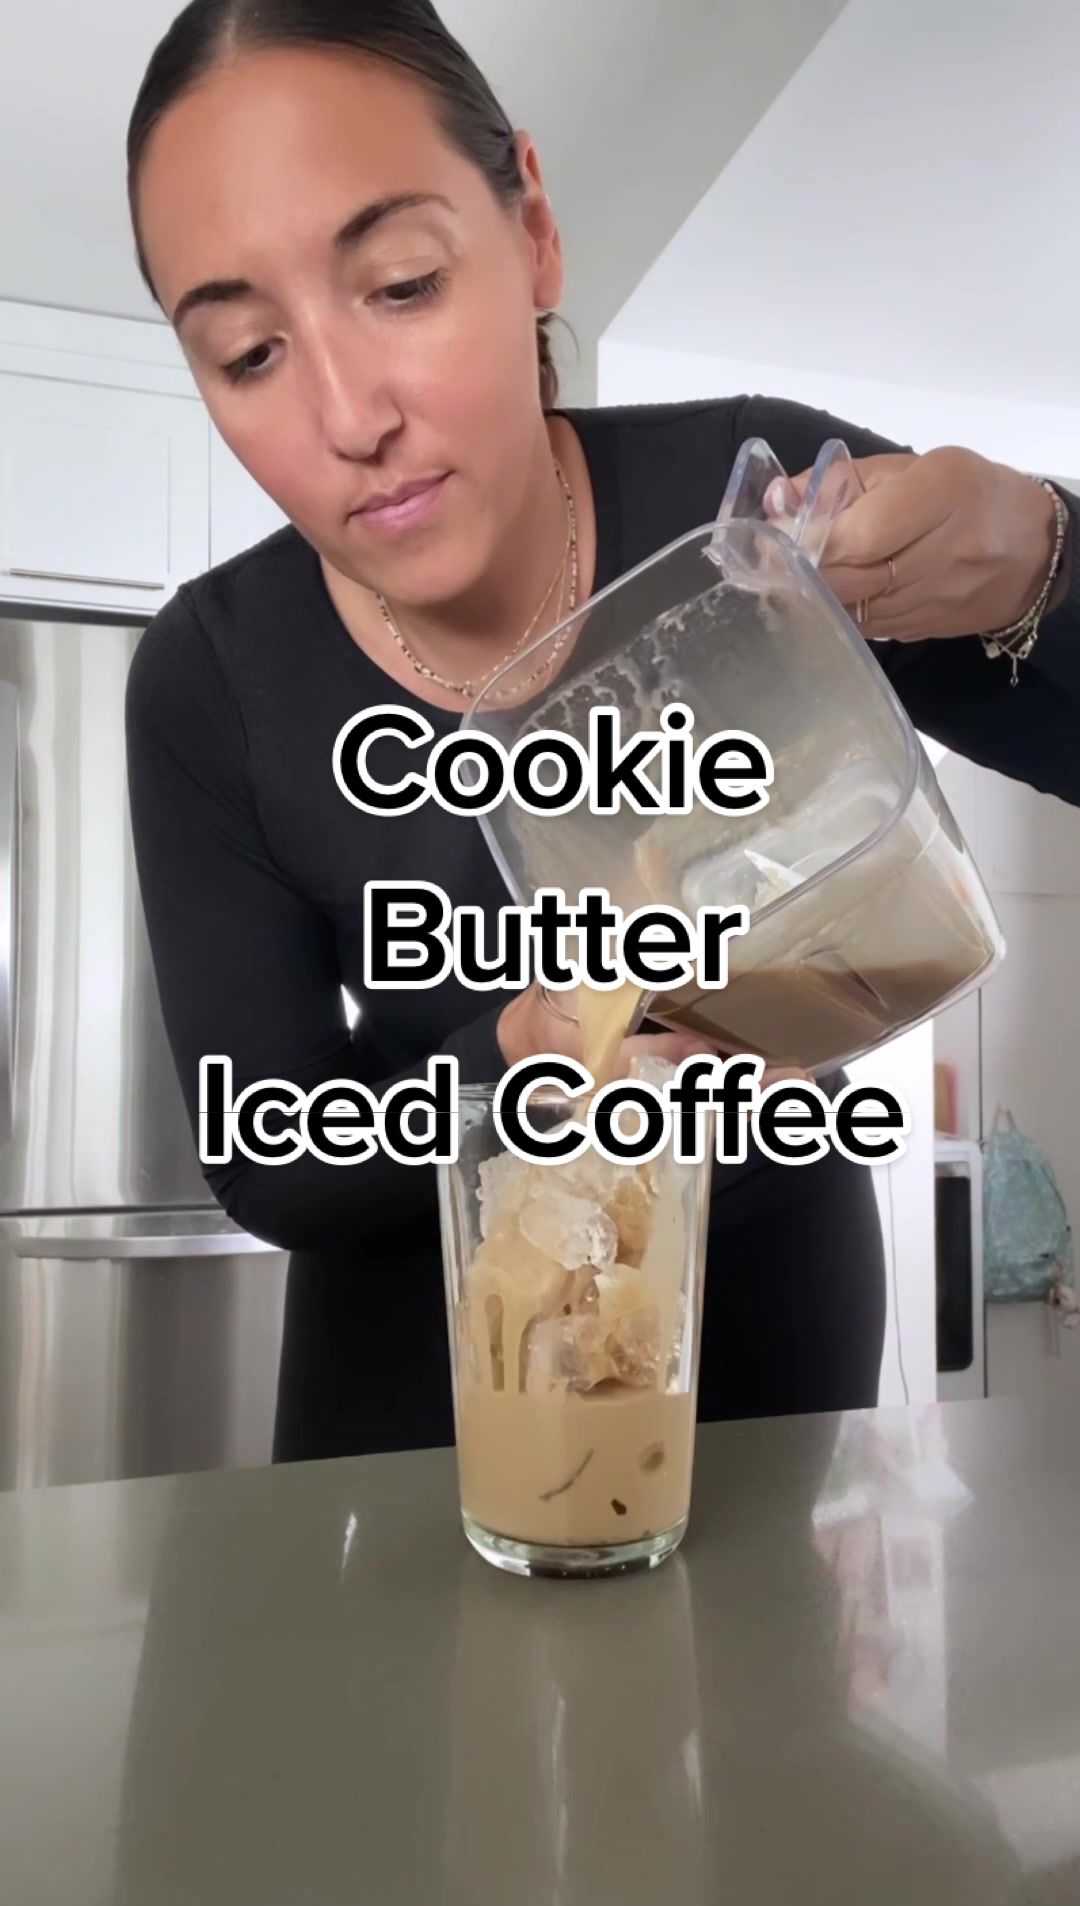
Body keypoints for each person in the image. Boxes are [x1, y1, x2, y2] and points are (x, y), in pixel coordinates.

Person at [124, 0, 1080, 1461]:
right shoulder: (211, 680)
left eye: (399, 284)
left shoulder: (748, 524)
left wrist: (1041, 559)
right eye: (250, 354)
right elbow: (271, 1156)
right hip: (415, 1399)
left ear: (535, 232)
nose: (348, 416)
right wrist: (517, 1055)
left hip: (764, 1357)